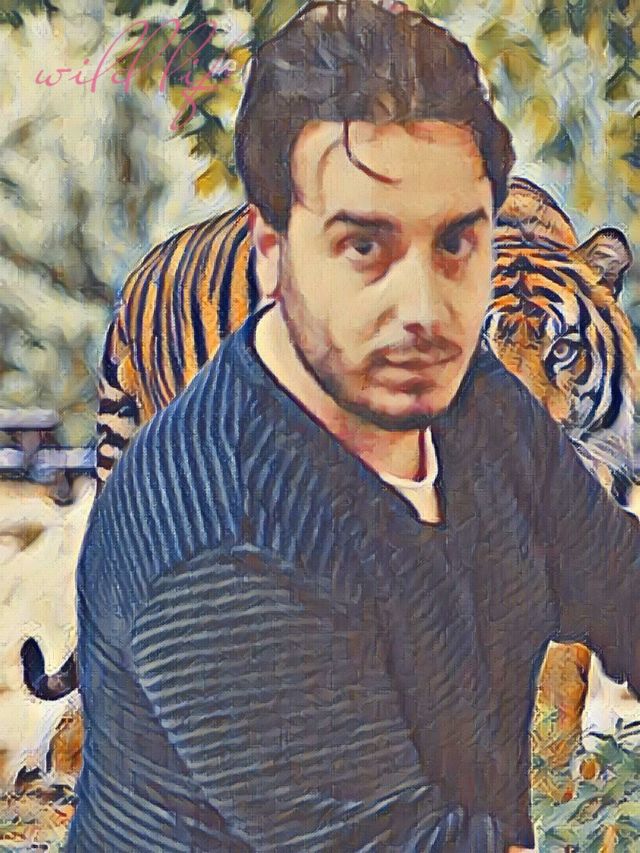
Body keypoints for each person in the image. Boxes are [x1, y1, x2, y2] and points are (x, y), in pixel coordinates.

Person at [65, 2, 640, 851]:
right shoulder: (213, 547)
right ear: (270, 250)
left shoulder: (472, 394)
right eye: (365, 245)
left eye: (456, 241)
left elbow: (620, 582)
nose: (424, 305)